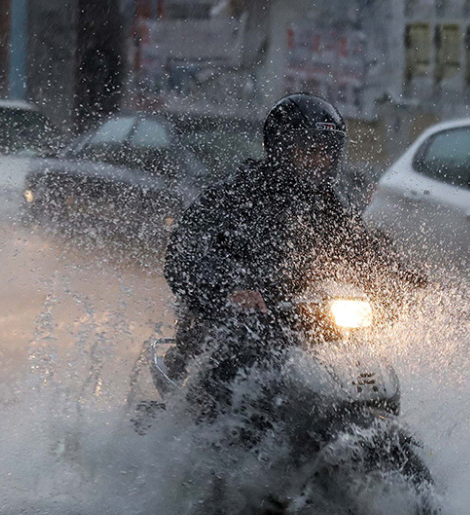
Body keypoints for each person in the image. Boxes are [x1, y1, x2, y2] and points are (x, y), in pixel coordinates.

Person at [164, 93, 423, 378]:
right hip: (227, 324)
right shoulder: (233, 195)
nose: (319, 160)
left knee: (356, 354)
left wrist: (408, 283)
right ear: (280, 148)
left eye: (327, 151)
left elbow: (364, 251)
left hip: (299, 325)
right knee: (235, 358)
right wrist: (227, 290)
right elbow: (182, 255)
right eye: (308, 150)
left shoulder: (330, 205)